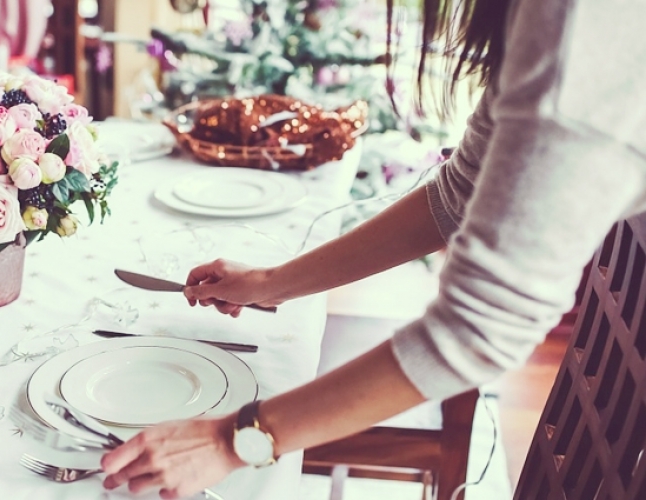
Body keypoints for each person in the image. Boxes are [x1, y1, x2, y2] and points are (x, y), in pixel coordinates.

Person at [99, 0, 646, 498]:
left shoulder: (583, 26)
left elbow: (478, 332)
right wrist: (270, 283)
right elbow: (458, 196)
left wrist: (232, 441)